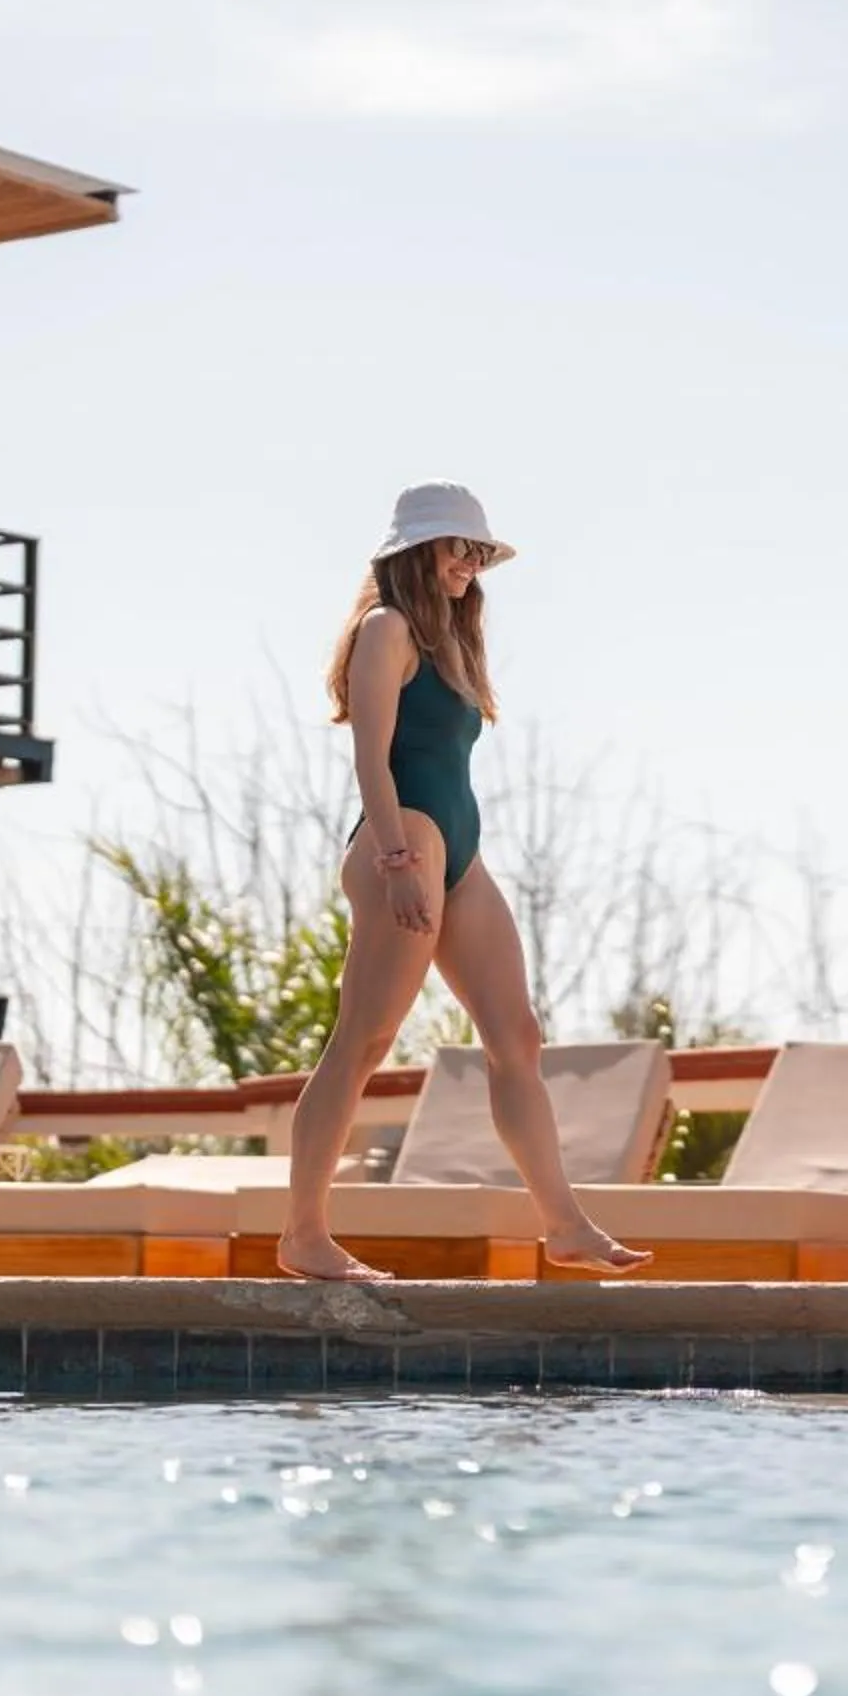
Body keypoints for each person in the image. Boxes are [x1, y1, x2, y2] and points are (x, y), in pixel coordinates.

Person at [277, 482, 650, 1283]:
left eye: (480, 553)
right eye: (460, 548)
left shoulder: (450, 642)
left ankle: (567, 1225)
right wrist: (395, 860)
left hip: (461, 850)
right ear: (417, 550)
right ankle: (304, 1236)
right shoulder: (387, 629)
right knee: (362, 1043)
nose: (471, 565)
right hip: (405, 837)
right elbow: (370, 759)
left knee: (517, 1037)